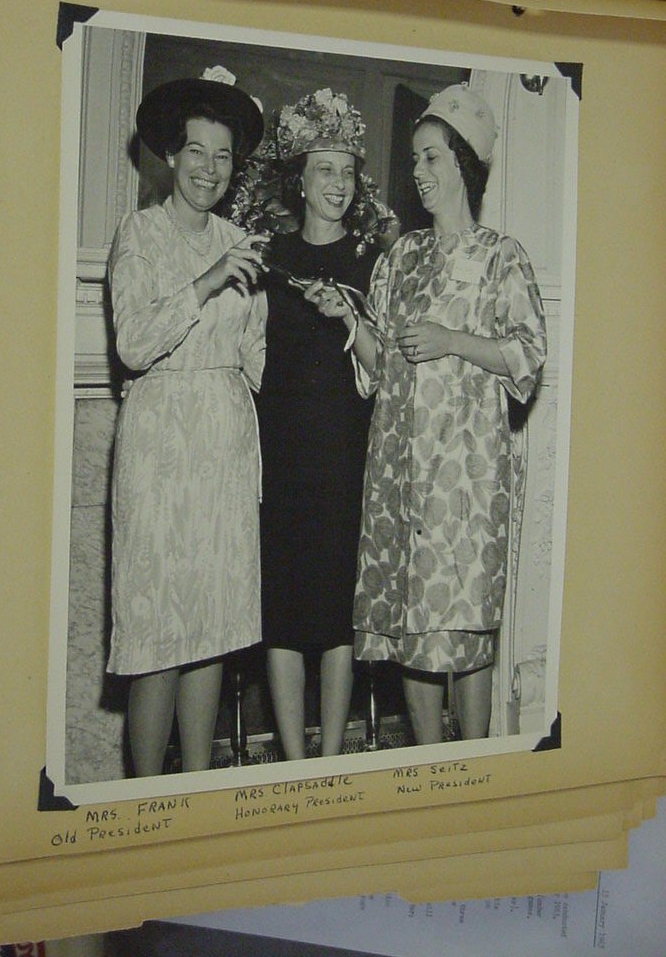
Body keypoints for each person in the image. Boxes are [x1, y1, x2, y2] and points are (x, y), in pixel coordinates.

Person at [307, 83, 547, 745]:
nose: (419, 173)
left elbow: (529, 356)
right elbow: (378, 367)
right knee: (411, 623)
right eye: (415, 160)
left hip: (466, 475)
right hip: (398, 471)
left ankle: (473, 769)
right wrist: (350, 322)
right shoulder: (400, 258)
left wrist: (453, 342)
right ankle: (429, 770)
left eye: (433, 157)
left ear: (464, 162)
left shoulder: (503, 257)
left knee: (464, 622)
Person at [105, 68, 269, 777]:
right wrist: (206, 280)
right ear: (172, 155)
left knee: (212, 631)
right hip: (160, 451)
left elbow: (256, 357)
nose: (209, 169)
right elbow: (134, 345)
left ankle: (197, 794)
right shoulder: (139, 234)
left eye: (223, 156)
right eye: (197, 152)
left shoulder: (244, 241)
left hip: (226, 447)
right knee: (156, 637)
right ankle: (146, 807)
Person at [234, 88, 394, 760]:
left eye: (346, 169)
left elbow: (384, 367)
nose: (336, 182)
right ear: (298, 178)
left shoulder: (371, 263)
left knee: (336, 610)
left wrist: (348, 321)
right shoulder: (267, 260)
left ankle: (330, 758)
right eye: (323, 168)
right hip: (280, 455)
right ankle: (295, 764)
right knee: (284, 612)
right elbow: (243, 357)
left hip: (345, 455)